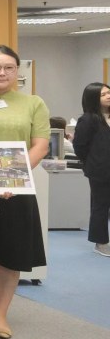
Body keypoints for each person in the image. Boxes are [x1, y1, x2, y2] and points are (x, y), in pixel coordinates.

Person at [0, 44, 50, 339]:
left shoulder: (33, 103)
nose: (2, 72)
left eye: (8, 67)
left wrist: (10, 178)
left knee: (11, 253)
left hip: (16, 189)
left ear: (17, 71)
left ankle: (1, 314)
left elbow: (40, 145)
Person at [72, 82, 110, 256]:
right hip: (100, 170)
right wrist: (92, 163)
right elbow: (80, 146)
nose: (108, 96)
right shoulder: (88, 119)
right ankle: (100, 242)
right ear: (93, 98)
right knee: (100, 206)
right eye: (103, 94)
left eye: (109, 92)